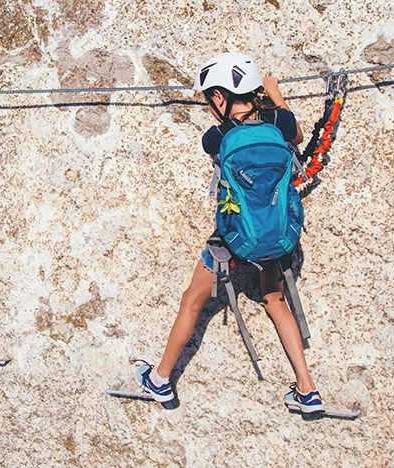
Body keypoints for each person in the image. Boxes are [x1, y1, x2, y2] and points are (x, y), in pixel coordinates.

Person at [136, 52, 323, 413]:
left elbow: (219, 152)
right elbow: (297, 134)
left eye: (210, 98)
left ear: (220, 98)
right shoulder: (279, 122)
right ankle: (307, 389)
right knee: (274, 299)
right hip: (275, 235)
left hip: (235, 241)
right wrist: (275, 94)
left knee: (192, 299)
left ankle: (159, 380)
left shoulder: (216, 136)